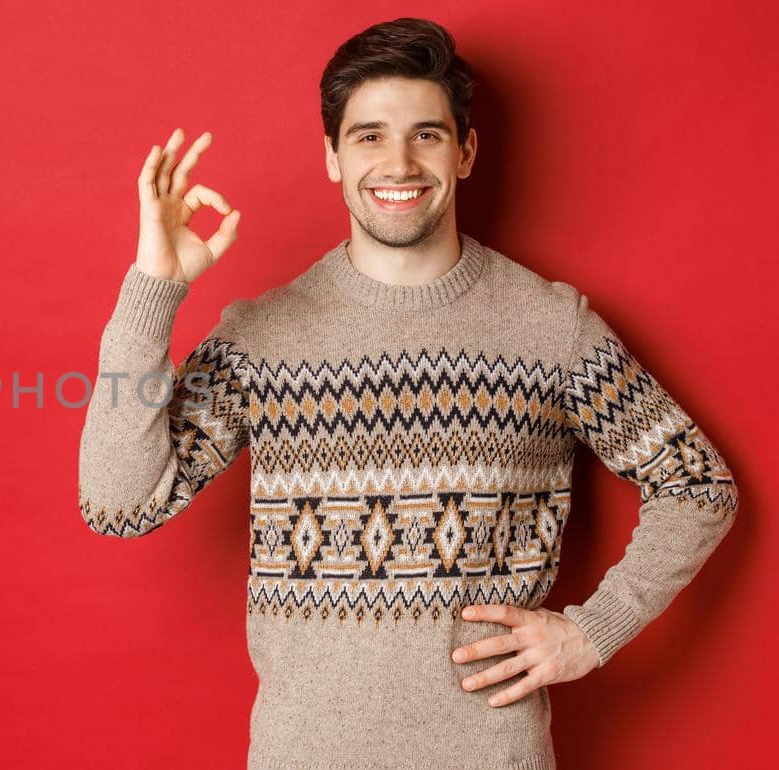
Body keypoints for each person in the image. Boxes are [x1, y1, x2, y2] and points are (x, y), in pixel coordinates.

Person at [76, 16, 738, 769]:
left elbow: (696, 483)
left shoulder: (550, 326)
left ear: (465, 151)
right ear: (331, 156)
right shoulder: (263, 336)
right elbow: (118, 505)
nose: (399, 162)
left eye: (426, 134)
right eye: (368, 136)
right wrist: (153, 289)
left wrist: (595, 631)